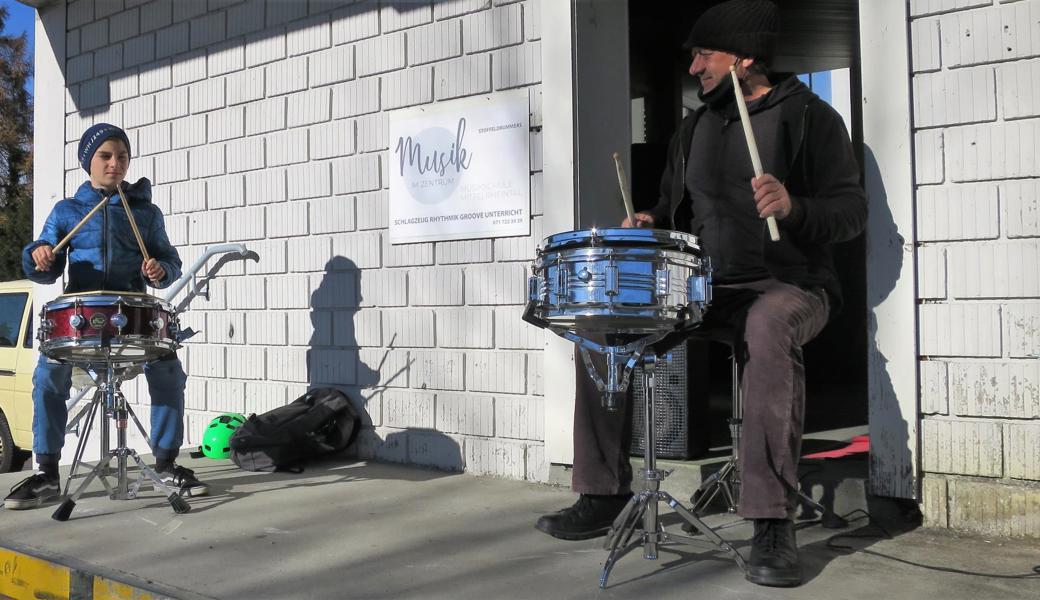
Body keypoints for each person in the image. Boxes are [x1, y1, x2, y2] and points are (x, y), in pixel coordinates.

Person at [534, 0, 867, 588]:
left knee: (767, 330)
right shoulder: (694, 128)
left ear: (744, 57)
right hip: (703, 289)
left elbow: (850, 213)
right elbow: (674, 210)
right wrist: (651, 222)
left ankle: (769, 520)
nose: (693, 68)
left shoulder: (811, 119)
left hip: (789, 284)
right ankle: (603, 491)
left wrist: (795, 208)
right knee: (598, 326)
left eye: (703, 55)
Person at [4, 123, 209, 510]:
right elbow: (44, 264)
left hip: (131, 313)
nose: (116, 163)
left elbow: (170, 260)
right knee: (48, 375)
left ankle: (166, 464)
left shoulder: (145, 213)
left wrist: (160, 270)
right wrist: (40, 255)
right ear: (89, 162)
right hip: (81, 316)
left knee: (167, 369)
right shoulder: (67, 211)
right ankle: (47, 473)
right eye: (106, 156)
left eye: (122, 156)